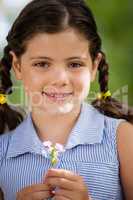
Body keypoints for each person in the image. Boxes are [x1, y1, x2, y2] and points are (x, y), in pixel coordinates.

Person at [0, 0, 133, 199]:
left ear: (94, 66)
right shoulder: (3, 151)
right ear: (17, 66)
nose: (60, 79)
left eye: (74, 64)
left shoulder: (122, 139)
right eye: (42, 63)